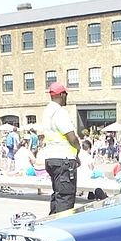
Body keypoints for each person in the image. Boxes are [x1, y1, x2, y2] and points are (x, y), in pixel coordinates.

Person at [42, 82, 81, 214]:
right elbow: (72, 138)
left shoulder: (47, 111)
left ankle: (51, 225)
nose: (67, 97)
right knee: (65, 197)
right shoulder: (59, 112)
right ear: (61, 94)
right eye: (66, 94)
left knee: (58, 195)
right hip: (64, 161)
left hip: (51, 159)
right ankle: (62, 228)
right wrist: (78, 149)